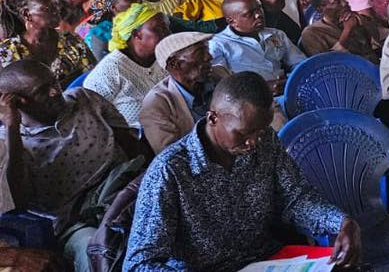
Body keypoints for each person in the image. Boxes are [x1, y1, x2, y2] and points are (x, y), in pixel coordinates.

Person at [124, 71, 362, 271]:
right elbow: (140, 263)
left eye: (260, 131)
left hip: (267, 260)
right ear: (213, 118)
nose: (253, 142)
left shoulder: (265, 141)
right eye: (243, 133)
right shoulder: (170, 171)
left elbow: (296, 199)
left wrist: (341, 222)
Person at [0, 60, 148, 268]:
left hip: (125, 187)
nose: (55, 92)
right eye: (42, 91)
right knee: (97, 251)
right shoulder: (11, 142)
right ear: (18, 102)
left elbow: (131, 145)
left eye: (54, 82)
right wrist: (12, 128)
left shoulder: (84, 99)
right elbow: (18, 202)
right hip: (78, 221)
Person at [82, 4, 170, 128]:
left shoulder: (164, 57)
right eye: (159, 29)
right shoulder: (109, 71)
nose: (168, 33)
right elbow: (91, 121)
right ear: (136, 34)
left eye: (167, 27)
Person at [208, 0, 306, 97]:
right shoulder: (218, 44)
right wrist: (262, 88)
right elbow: (224, 82)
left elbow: (300, 63)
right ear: (232, 21)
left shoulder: (276, 34)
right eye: (249, 14)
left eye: (259, 8)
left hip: (286, 90)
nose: (258, 15)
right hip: (249, 98)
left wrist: (291, 80)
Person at [0, 0, 95, 86]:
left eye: (57, 5)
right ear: (27, 14)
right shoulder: (6, 52)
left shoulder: (71, 40)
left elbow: (92, 74)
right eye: (48, 7)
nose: (57, 10)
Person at [139, 32, 215, 153]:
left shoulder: (220, 75)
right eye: (200, 53)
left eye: (207, 50)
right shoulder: (157, 105)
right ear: (175, 64)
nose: (209, 57)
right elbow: (171, 156)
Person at [301, 0, 384, 62]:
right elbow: (328, 64)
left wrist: (360, 20)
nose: (345, 3)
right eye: (337, 2)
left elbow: (377, 37)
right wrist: (347, 30)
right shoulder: (313, 33)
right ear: (320, 9)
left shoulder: (354, 18)